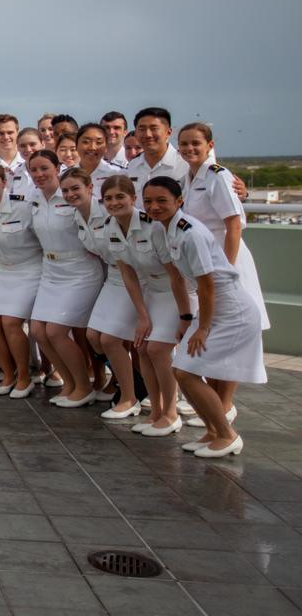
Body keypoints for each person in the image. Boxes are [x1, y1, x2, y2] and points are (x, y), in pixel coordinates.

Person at [145, 177, 265, 457]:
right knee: (181, 370)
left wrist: (203, 328)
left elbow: (208, 285)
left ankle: (227, 435)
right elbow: (177, 278)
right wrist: (187, 318)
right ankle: (213, 432)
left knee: (187, 372)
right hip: (211, 308)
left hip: (231, 310)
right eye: (148, 201)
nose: (154, 207)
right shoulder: (163, 230)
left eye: (162, 200)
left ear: (179, 201)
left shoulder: (191, 233)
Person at [177, 122, 269, 427]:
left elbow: (233, 225)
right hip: (206, 263)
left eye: (196, 143)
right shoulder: (189, 179)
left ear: (210, 145)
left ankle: (225, 405)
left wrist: (226, 270)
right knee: (215, 332)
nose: (190, 149)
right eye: (184, 144)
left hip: (227, 261)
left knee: (231, 334)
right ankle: (215, 404)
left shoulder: (218, 176)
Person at [103, 175, 188, 428]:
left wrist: (185, 316)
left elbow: (176, 276)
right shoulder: (111, 227)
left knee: (157, 350)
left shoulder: (153, 226)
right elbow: (128, 274)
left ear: (133, 198)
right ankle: (156, 411)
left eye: (120, 197)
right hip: (151, 291)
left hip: (175, 291)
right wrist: (142, 315)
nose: (114, 202)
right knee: (142, 349)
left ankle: (171, 414)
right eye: (108, 198)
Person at [25, 151, 101, 409]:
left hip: (80, 269)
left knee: (56, 332)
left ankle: (84, 386)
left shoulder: (70, 195)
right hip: (51, 270)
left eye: (44, 168)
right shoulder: (34, 198)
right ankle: (69, 384)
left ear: (57, 168)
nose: (39, 174)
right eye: (33, 169)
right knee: (38, 331)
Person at [65, 168, 141, 416]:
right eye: (65, 190)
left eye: (75, 188)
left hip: (136, 280)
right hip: (114, 277)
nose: (114, 202)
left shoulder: (113, 216)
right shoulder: (78, 216)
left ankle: (129, 397)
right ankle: (129, 381)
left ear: (90, 188)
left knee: (109, 339)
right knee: (93, 337)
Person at [0, 162, 42, 398]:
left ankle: (24, 376)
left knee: (11, 323)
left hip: (28, 269)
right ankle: (8, 373)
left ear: (4, 182)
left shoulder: (22, 207)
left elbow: (42, 237)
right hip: (0, 271)